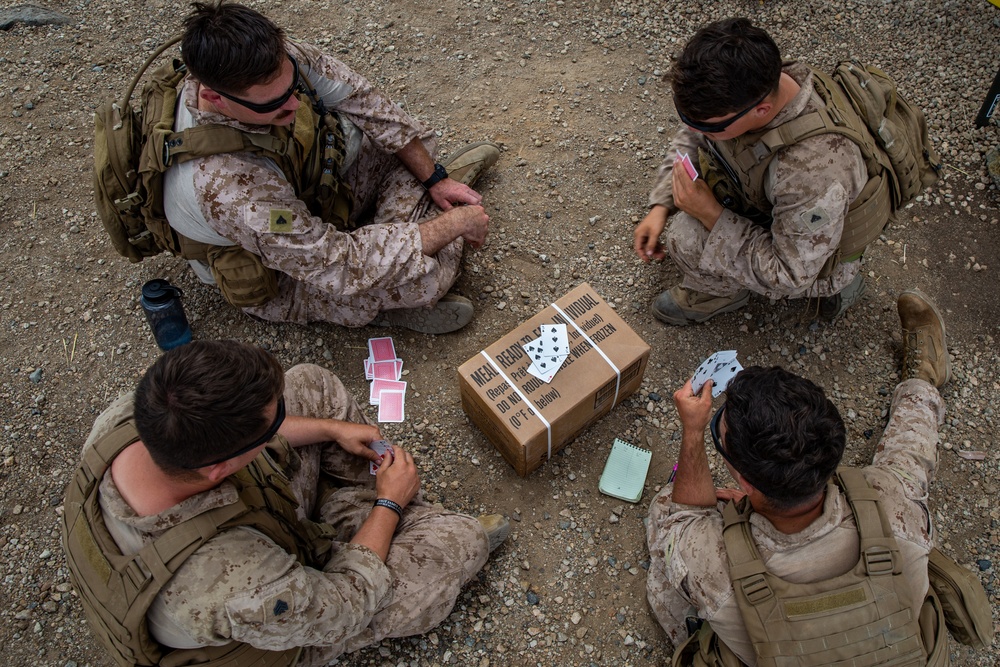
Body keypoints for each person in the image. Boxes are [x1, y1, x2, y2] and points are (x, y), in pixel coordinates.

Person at [62, 340, 510, 666]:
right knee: (459, 540)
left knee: (311, 385)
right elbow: (347, 603)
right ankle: (385, 517)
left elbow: (267, 430)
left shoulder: (140, 416)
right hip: (276, 621)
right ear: (221, 468)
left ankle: (354, 511)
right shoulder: (232, 583)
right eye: (270, 424)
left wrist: (331, 430)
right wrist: (389, 505)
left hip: (241, 529)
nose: (280, 422)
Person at [646, 288, 952, 665]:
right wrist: (920, 387)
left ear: (744, 482)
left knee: (666, 512)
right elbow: (912, 449)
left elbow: (684, 518)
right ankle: (926, 379)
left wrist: (693, 433)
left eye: (718, 438)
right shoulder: (892, 499)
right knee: (907, 456)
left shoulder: (713, 563)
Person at [164, 1, 501, 333]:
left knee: (409, 143)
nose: (295, 104)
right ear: (215, 100)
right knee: (423, 279)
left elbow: (368, 104)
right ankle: (388, 301)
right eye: (275, 105)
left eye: (293, 86)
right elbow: (338, 263)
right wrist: (452, 225)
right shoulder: (229, 189)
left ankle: (425, 211)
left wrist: (435, 178)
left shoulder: (266, 60)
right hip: (281, 267)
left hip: (306, 199)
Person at [633, 18, 875, 325]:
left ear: (761, 110)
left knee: (686, 237)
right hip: (793, 219)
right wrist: (661, 204)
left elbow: (788, 274)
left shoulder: (812, 172)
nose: (694, 130)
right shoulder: (754, 87)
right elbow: (694, 133)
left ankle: (724, 293)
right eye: (686, 116)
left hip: (806, 259)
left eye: (711, 126)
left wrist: (711, 215)